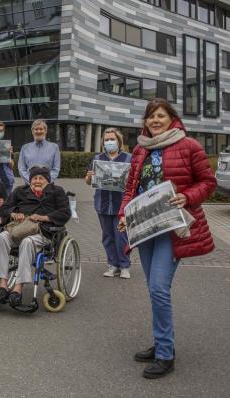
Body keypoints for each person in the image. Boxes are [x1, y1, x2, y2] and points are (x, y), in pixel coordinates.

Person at [118, 98, 216, 379]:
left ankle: (165, 354)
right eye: (151, 117)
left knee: (159, 289)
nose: (155, 121)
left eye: (161, 116)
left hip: (173, 229)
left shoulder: (189, 146)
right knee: (154, 290)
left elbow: (208, 183)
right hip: (144, 227)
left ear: (172, 118)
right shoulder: (140, 149)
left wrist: (187, 196)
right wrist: (124, 214)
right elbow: (130, 188)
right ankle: (163, 342)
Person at [0, 166, 71, 308]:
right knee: (0, 238)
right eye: (34, 178)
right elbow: (5, 208)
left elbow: (65, 213)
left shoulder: (57, 192)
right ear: (30, 180)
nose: (37, 181)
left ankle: (18, 287)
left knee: (27, 242)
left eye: (41, 178)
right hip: (18, 229)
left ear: (48, 180)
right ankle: (3, 285)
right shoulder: (20, 191)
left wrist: (45, 217)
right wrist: (13, 214)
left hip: (41, 232)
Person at [84, 128, 132, 278]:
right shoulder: (98, 158)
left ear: (119, 141)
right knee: (108, 236)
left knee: (122, 236)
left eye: (112, 139)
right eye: (106, 140)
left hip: (121, 205)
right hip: (103, 203)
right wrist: (89, 178)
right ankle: (112, 265)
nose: (109, 142)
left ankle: (124, 265)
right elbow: (88, 181)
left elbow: (134, 182)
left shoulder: (128, 158)